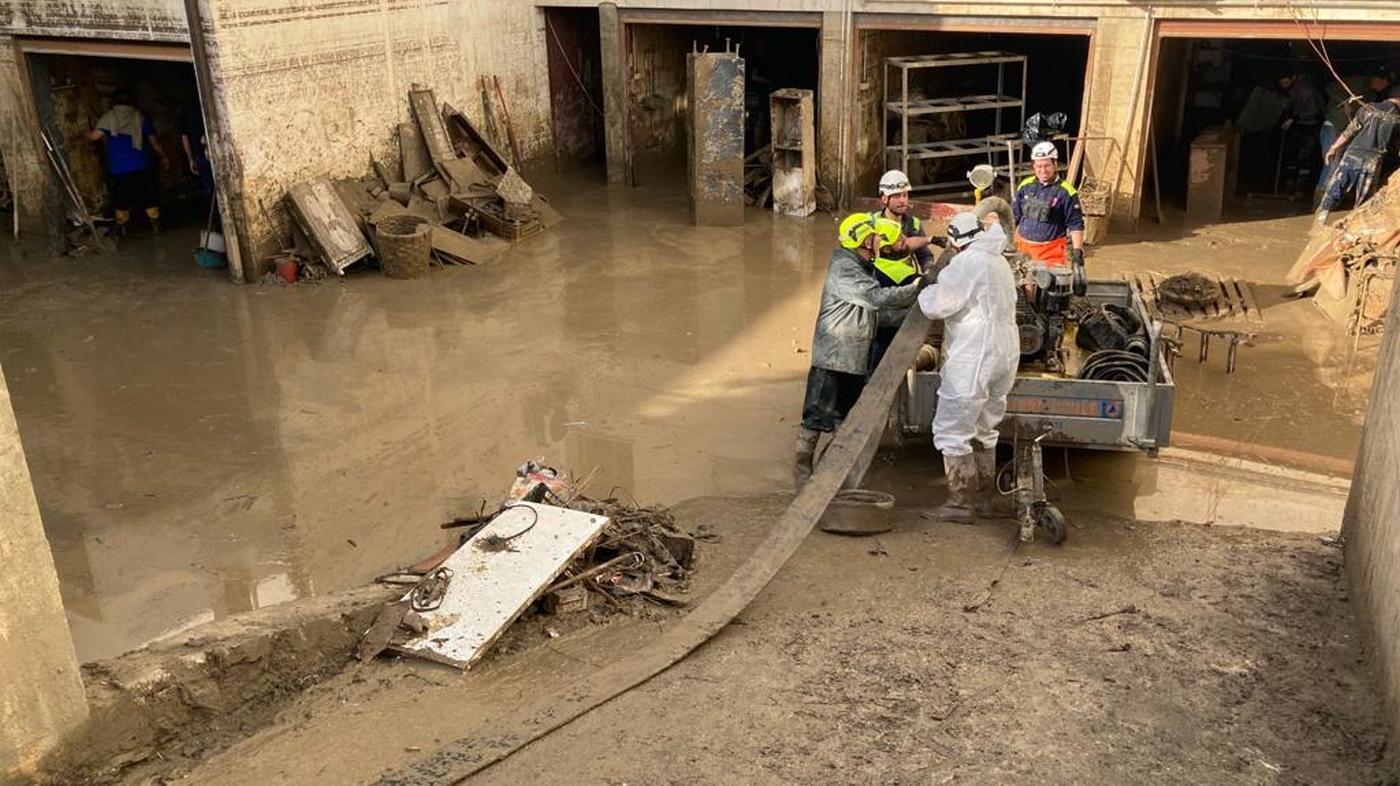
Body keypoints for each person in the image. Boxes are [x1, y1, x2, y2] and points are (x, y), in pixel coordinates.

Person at [794, 214, 923, 485]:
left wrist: (915, 316)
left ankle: (835, 471)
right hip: (833, 359)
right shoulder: (845, 269)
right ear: (865, 239)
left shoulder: (862, 267)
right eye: (875, 236)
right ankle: (802, 472)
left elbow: (874, 317)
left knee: (846, 418)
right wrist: (917, 288)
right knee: (816, 418)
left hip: (853, 359)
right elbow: (876, 299)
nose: (880, 240)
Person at [917, 212, 1019, 521]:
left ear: (956, 243)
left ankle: (960, 503)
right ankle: (986, 500)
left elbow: (940, 305)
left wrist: (925, 288)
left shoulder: (964, 263)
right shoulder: (999, 260)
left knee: (952, 428)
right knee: (986, 427)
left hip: (975, 354)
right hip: (1006, 352)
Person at [868, 169, 946, 366]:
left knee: (906, 331)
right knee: (880, 336)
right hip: (879, 286)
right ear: (884, 198)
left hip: (907, 285)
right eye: (896, 196)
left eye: (905, 195)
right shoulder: (872, 224)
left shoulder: (913, 223)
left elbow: (924, 254)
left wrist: (929, 271)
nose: (903, 200)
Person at [87, 91, 170, 234]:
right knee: (148, 195)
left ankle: (123, 227)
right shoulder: (140, 117)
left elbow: (94, 137)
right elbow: (154, 143)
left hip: (120, 168)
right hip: (142, 164)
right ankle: (155, 224)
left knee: (121, 198)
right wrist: (163, 157)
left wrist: (84, 132)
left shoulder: (108, 118)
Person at [1317, 95, 1400, 224]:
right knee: (1364, 198)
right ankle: (1355, 226)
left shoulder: (1368, 107)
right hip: (1373, 159)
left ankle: (1320, 221)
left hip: (1353, 153)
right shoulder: (1397, 119)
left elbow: (1349, 131)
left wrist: (1333, 147)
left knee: (1337, 186)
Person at [1011, 141, 1084, 270]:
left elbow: (1075, 224)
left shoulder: (1067, 192)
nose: (1043, 170)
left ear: (1055, 165)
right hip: (1024, 250)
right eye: (1039, 166)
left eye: (1047, 165)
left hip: (1052, 253)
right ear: (1033, 166)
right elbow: (1013, 216)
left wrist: (1078, 252)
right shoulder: (1024, 186)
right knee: (1025, 285)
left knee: (1050, 287)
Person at [1277, 73, 1326, 197]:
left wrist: (1293, 118)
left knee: (1305, 157)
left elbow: (1314, 110)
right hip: (1296, 126)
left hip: (1308, 126)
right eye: (1281, 84)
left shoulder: (1305, 89)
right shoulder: (1292, 90)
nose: (1284, 86)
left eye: (1286, 83)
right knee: (1291, 156)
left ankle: (1300, 188)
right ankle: (1289, 186)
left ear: (1293, 78)